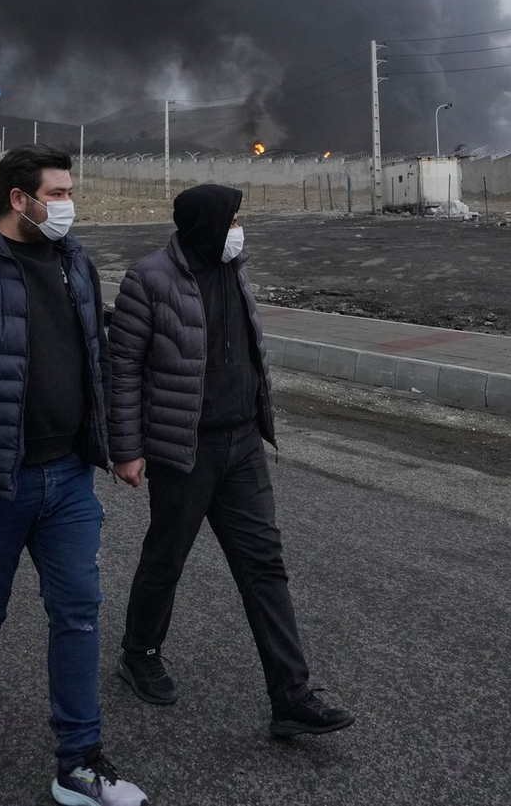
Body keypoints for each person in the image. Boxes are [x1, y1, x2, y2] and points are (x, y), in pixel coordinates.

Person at [0, 145, 147, 806]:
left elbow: (95, 359)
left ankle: (79, 761)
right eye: (59, 192)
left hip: (68, 476)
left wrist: (118, 445)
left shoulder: (75, 262)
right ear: (20, 197)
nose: (69, 203)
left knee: (78, 612)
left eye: (70, 191)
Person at [108, 183, 355, 738]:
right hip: (184, 448)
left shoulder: (234, 266)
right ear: (207, 224)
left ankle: (291, 696)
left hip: (242, 444)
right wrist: (126, 448)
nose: (241, 227)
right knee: (166, 556)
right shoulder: (148, 278)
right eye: (235, 217)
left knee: (264, 564)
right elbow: (121, 370)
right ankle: (138, 652)